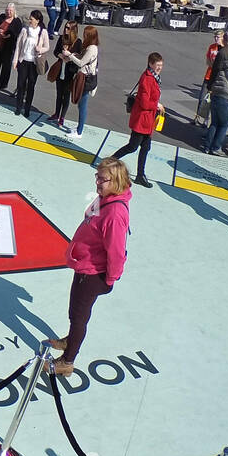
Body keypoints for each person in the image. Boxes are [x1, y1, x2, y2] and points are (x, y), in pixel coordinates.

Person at [47, 159, 132, 377]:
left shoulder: (114, 214)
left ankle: (67, 362)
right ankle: (70, 340)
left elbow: (115, 251)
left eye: (101, 179)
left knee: (79, 316)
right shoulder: (105, 198)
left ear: (116, 181)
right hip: (84, 265)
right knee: (74, 312)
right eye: (97, 177)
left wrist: (111, 279)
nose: (97, 182)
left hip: (93, 273)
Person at [109, 53, 163, 188]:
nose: (160, 68)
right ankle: (110, 161)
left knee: (145, 147)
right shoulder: (147, 79)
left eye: (161, 65)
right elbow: (145, 103)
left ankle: (140, 175)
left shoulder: (153, 77)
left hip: (147, 120)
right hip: (142, 120)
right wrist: (157, 105)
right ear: (150, 64)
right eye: (157, 65)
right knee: (132, 147)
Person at [58, 26, 100, 139]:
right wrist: (73, 55)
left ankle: (79, 132)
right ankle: (78, 128)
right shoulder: (89, 47)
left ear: (90, 36)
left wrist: (70, 55)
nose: (84, 36)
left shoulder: (92, 48)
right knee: (81, 104)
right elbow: (81, 57)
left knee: (82, 105)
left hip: (85, 79)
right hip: (84, 77)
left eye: (86, 34)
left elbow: (81, 63)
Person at [203, 38, 228, 155]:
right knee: (224, 124)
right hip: (226, 97)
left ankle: (207, 146)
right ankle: (216, 147)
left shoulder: (222, 67)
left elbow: (214, 76)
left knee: (214, 122)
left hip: (216, 94)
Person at [12, 9, 51, 117]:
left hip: (34, 63)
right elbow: (18, 46)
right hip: (23, 61)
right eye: (30, 19)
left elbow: (47, 47)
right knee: (20, 85)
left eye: (32, 19)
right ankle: (18, 107)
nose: (30, 20)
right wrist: (15, 61)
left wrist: (40, 49)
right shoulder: (25, 30)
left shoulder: (43, 32)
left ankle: (27, 108)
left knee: (31, 86)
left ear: (37, 20)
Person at [193, 31, 226, 125]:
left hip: (218, 78)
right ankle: (197, 117)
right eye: (215, 37)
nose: (216, 39)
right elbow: (208, 59)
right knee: (202, 97)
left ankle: (206, 120)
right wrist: (213, 64)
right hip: (208, 75)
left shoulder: (225, 49)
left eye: (218, 37)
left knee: (211, 100)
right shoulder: (212, 47)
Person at [0, 3, 23, 89]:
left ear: (14, 11)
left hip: (9, 46)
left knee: (6, 65)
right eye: (7, 10)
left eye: (11, 11)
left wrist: (9, 35)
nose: (9, 12)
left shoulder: (17, 20)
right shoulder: (2, 17)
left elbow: (18, 32)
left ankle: (3, 84)